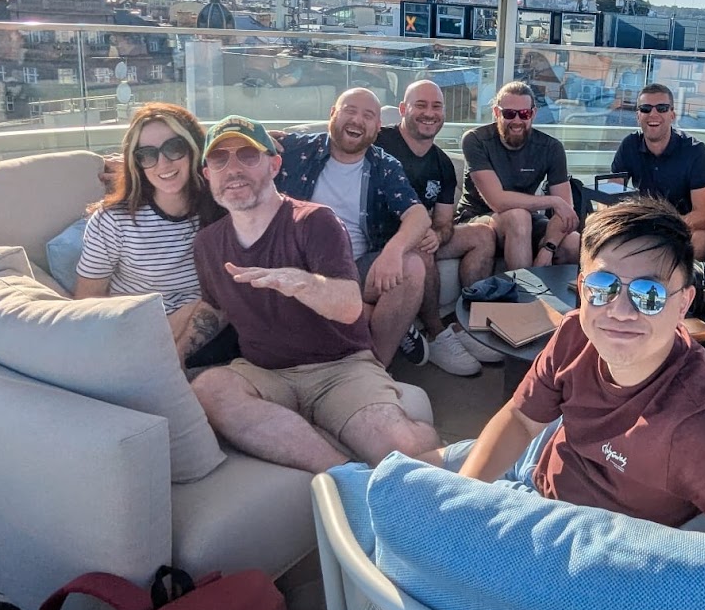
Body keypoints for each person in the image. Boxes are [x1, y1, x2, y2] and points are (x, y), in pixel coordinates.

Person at [458, 198, 705, 574]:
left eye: (650, 295)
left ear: (684, 304)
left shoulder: (700, 424)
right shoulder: (574, 335)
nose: (620, 311)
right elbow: (520, 419)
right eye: (603, 286)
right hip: (536, 479)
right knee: (417, 471)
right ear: (581, 288)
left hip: (595, 554)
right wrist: (461, 497)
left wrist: (663, 563)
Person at [184, 116, 440, 473]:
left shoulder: (314, 221)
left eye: (247, 155)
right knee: (209, 388)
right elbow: (214, 309)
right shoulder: (208, 243)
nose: (233, 169)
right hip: (264, 371)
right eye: (219, 159)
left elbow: (350, 306)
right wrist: (173, 357)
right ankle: (344, 475)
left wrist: (300, 283)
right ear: (207, 174)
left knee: (403, 447)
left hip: (339, 367)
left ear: (274, 165)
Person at [274, 88, 432, 370]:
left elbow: (419, 215)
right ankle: (387, 319)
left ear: (377, 127)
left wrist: (393, 251)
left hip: (356, 266)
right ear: (332, 114)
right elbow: (238, 141)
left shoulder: (384, 166)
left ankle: (376, 369)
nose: (357, 120)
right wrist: (258, 140)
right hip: (301, 267)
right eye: (349, 110)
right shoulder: (297, 150)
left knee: (413, 267)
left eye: (368, 115)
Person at [74, 102, 225, 364]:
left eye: (174, 148)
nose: (162, 163)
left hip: (212, 335)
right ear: (138, 163)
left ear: (194, 148)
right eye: (147, 154)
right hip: (139, 333)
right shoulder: (113, 221)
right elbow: (88, 300)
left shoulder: (223, 209)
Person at [375, 80, 503, 372]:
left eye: (436, 106)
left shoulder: (443, 164)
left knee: (483, 234)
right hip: (382, 240)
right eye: (420, 105)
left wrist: (438, 233)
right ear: (403, 109)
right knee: (421, 248)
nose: (429, 113)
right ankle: (436, 334)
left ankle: (467, 325)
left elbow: (445, 221)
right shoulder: (379, 142)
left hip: (420, 234)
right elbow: (340, 138)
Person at [455, 81, 579, 269]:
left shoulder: (551, 147)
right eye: (509, 114)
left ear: (533, 114)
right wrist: (553, 201)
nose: (517, 121)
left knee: (574, 242)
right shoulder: (476, 140)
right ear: (497, 113)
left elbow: (566, 213)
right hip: (478, 218)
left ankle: (561, 297)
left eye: (524, 114)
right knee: (518, 217)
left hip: (526, 221)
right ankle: (523, 295)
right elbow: (498, 202)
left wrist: (548, 247)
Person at [607, 84, 705, 259]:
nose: (653, 114)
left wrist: (662, 226)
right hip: (646, 224)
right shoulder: (629, 146)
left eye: (662, 108)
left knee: (699, 242)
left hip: (689, 226)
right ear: (638, 116)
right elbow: (610, 197)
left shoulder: (695, 151)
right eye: (645, 109)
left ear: (672, 115)